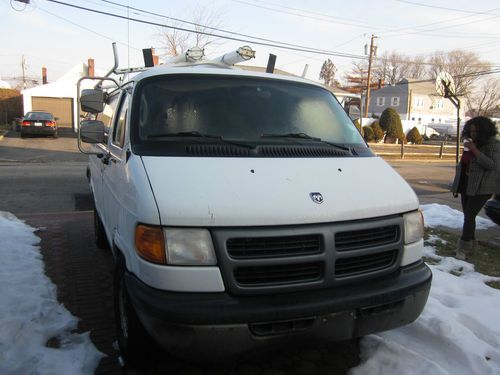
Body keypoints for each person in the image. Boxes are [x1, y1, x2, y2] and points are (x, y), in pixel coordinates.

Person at [451, 116, 500, 260]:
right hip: (467, 183)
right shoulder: (473, 143)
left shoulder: (493, 145)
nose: (472, 134)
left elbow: (492, 165)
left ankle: (463, 248)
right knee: (467, 216)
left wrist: (475, 151)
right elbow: (467, 163)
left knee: (470, 216)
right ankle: (471, 245)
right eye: (470, 131)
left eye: (475, 132)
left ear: (484, 131)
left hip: (483, 186)